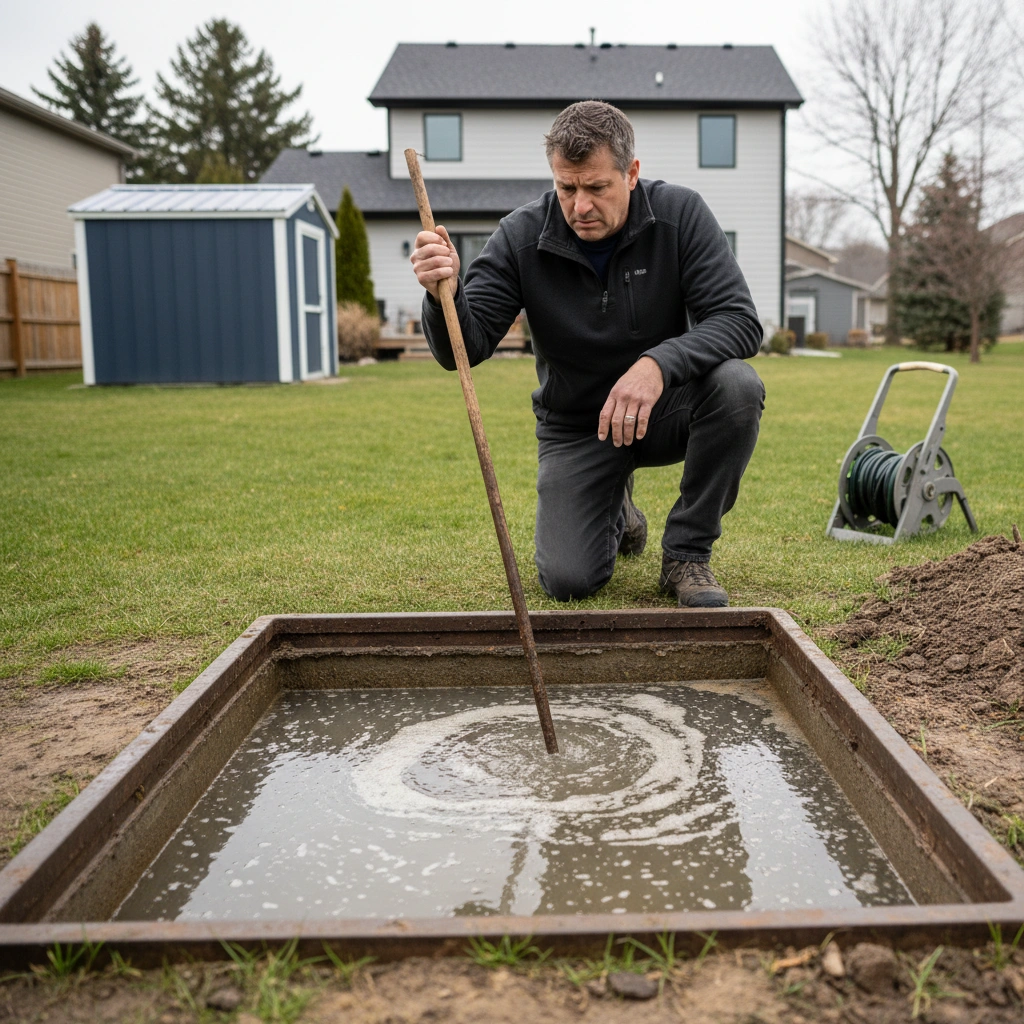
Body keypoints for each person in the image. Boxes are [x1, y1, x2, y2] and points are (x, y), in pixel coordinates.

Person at [410, 100, 765, 608]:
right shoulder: (520, 236)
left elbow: (738, 320)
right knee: (568, 580)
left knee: (737, 386)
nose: (580, 206)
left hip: (663, 410)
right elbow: (462, 350)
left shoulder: (681, 216)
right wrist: (441, 292)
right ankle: (620, 512)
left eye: (597, 187)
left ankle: (687, 554)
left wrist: (657, 365)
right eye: (566, 187)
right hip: (577, 426)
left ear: (632, 173)